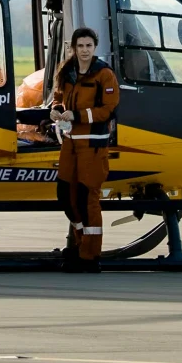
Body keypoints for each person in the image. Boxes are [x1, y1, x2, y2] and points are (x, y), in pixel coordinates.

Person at [50, 27, 119, 272]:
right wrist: (56, 108)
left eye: (89, 46)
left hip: (92, 144)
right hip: (70, 143)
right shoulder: (67, 72)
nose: (85, 50)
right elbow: (58, 96)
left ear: (94, 47)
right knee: (65, 195)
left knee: (86, 198)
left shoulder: (104, 74)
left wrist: (78, 115)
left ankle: (90, 256)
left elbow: (107, 109)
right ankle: (80, 246)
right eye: (80, 46)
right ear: (74, 48)